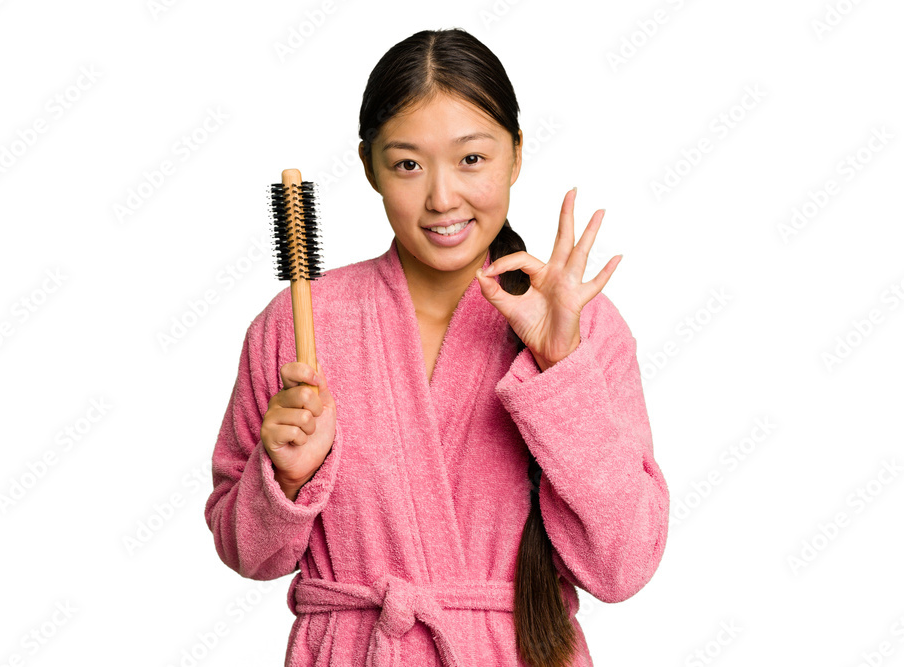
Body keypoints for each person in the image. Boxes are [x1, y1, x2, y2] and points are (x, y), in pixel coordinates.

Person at [204, 27, 669, 667]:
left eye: (472, 159)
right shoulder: (298, 324)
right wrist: (285, 476)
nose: (442, 198)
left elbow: (623, 567)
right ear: (369, 166)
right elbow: (247, 553)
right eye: (408, 164)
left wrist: (561, 371)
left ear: (516, 155)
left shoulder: (585, 327)